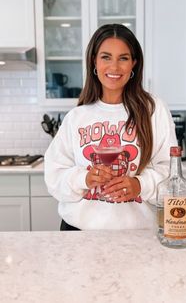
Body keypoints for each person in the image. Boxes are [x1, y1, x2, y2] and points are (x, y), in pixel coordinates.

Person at [44, 23, 177, 231]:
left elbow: (172, 171)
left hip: (138, 237)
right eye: (106, 57)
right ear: (94, 62)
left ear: (134, 63)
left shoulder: (153, 109)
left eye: (123, 58)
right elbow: (54, 176)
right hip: (79, 234)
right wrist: (84, 178)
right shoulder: (76, 117)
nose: (114, 67)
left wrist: (140, 185)